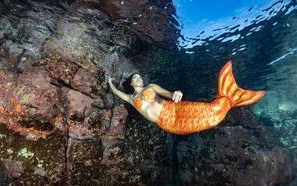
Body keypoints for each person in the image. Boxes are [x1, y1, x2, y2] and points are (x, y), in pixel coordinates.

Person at [108, 61, 265, 135]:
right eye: (135, 78)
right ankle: (232, 98)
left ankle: (228, 97)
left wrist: (176, 94)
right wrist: (109, 82)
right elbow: (116, 91)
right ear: (131, 82)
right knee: (210, 120)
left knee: (213, 111)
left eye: (140, 77)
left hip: (173, 108)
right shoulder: (130, 98)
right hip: (167, 123)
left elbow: (169, 94)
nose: (139, 79)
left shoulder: (151, 87)